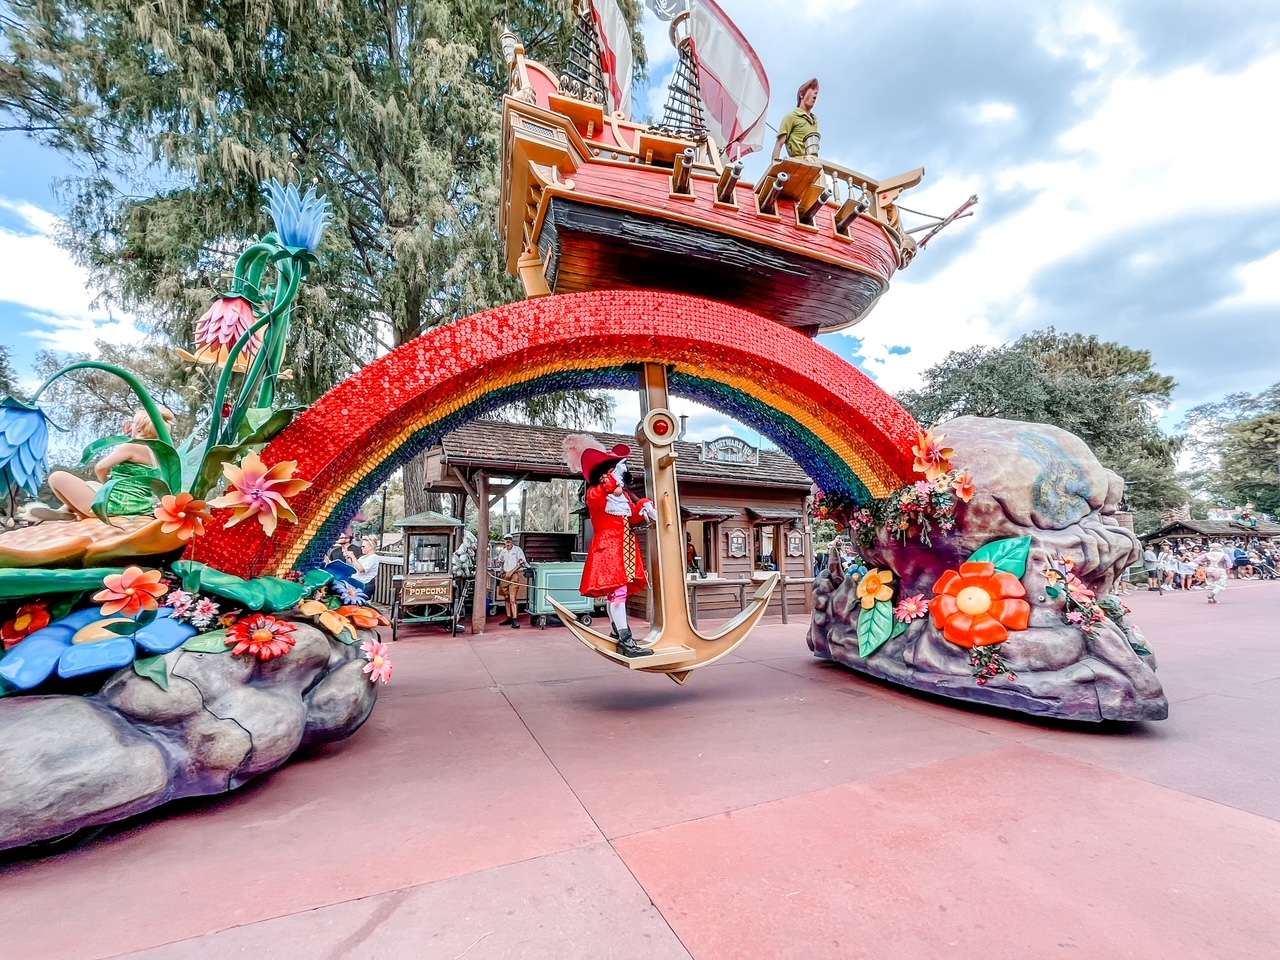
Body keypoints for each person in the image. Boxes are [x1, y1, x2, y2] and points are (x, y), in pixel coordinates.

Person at [564, 434, 657, 658]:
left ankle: (618, 633)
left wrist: (643, 507)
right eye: (620, 468)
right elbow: (596, 498)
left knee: (618, 594)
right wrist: (610, 485)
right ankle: (626, 641)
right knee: (618, 594)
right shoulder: (596, 493)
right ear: (608, 473)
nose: (624, 473)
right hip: (609, 551)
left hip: (624, 550)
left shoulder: (622, 497)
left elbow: (632, 519)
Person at [42, 407, 176, 520]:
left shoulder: (131, 447)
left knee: (57, 477)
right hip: (139, 505)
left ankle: (77, 513)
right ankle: (64, 511)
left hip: (117, 505)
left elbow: (100, 467)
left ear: (140, 429)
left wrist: (105, 482)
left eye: (133, 423)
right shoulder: (158, 454)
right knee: (90, 484)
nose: (130, 425)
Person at [772, 78, 820, 162]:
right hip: (798, 163)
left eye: (816, 91)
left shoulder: (814, 121)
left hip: (813, 163)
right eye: (812, 88)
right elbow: (779, 144)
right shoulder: (791, 117)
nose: (815, 92)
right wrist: (774, 168)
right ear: (802, 94)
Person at [493, 533, 528, 628]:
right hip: (505, 575)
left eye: (509, 539)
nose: (508, 541)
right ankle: (509, 617)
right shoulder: (503, 552)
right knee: (506, 597)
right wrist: (501, 570)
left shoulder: (517, 550)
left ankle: (515, 619)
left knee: (513, 599)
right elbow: (500, 562)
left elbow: (521, 563)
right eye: (506, 539)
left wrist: (511, 572)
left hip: (513, 576)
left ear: (512, 540)